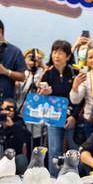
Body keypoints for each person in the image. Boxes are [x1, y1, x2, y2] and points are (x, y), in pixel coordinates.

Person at [38, 40, 77, 176]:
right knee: (54, 150)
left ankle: (75, 177)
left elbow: (79, 98)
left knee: (73, 150)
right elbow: (39, 99)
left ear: (67, 56)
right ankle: (54, 179)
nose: (56, 56)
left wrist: (74, 116)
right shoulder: (47, 74)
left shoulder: (74, 72)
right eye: (54, 52)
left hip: (71, 116)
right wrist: (44, 94)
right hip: (53, 117)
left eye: (60, 53)